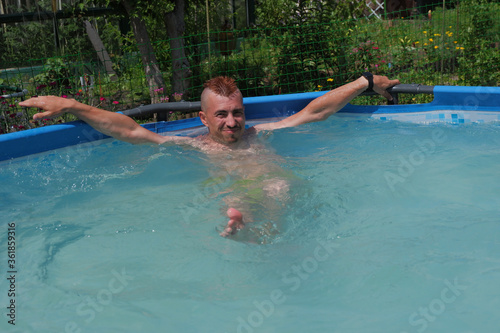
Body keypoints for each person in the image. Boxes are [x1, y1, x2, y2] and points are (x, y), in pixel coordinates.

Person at [19, 74, 400, 240]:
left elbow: (315, 111)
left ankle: (258, 232)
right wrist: (70, 104)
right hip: (233, 195)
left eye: (237, 112)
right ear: (203, 118)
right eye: (222, 114)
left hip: (278, 195)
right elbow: (129, 130)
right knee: (246, 196)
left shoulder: (260, 133)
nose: (232, 122)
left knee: (280, 184)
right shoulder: (193, 145)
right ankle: (242, 229)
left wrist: (366, 81)